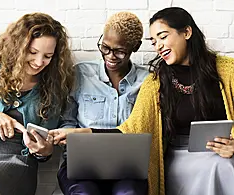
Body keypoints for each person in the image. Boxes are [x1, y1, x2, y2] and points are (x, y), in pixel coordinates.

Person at [51, 7, 234, 195]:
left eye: (163, 37)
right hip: (180, 156)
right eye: (154, 42)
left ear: (187, 32)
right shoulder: (156, 82)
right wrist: (84, 132)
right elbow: (133, 128)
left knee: (225, 165)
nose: (158, 46)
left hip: (221, 152)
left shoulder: (227, 71)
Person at [0, 13, 76, 195]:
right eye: (32, 53)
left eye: (48, 56)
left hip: (17, 164)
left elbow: (64, 132)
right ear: (18, 47)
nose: (39, 62)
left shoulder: (57, 87)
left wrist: (45, 150)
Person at [50, 12, 149, 195]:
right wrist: (66, 136)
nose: (110, 56)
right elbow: (67, 121)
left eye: (119, 51)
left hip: (128, 169)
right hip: (82, 168)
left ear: (136, 47)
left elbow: (146, 129)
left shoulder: (147, 81)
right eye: (105, 48)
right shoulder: (80, 74)